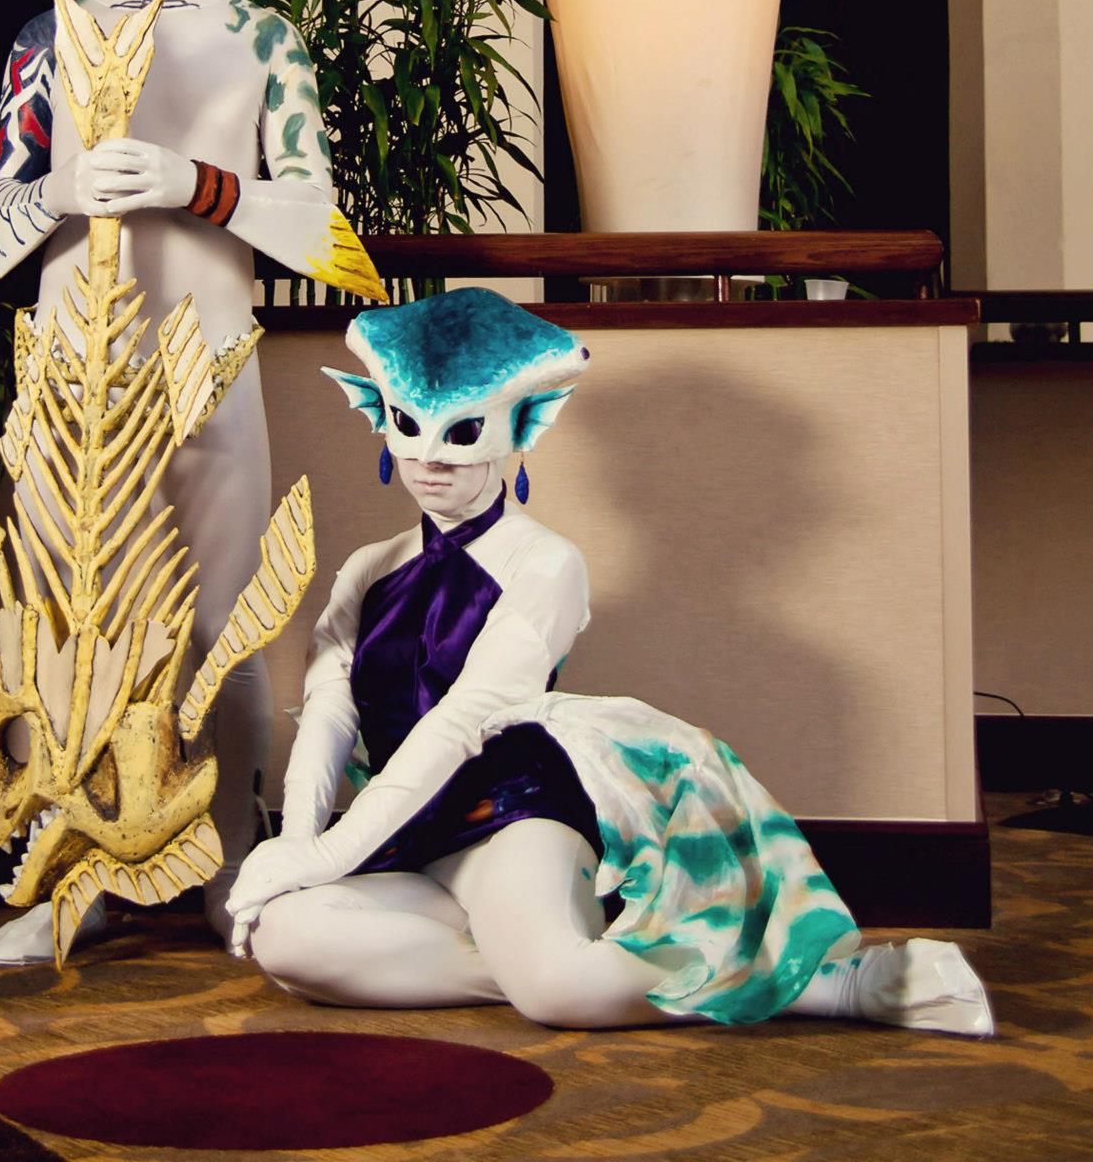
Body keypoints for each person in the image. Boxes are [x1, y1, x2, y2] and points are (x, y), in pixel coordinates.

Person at [227, 290, 994, 1035]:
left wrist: (328, 853)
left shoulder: (545, 563)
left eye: (461, 434)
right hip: (403, 835)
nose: (429, 461)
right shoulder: (369, 568)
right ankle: (550, 965)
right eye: (408, 428)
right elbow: (329, 710)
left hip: (510, 821)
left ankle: (835, 985)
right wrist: (297, 844)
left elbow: (464, 719)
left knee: (557, 992)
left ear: (523, 427)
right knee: (286, 940)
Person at [0, 0, 383, 963]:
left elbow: (320, 229)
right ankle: (76, 866)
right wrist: (59, 190)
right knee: (68, 617)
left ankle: (232, 860)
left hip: (206, 365)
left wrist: (190, 183)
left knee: (226, 614)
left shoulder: (263, 40)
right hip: (72, 379)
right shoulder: (43, 40)